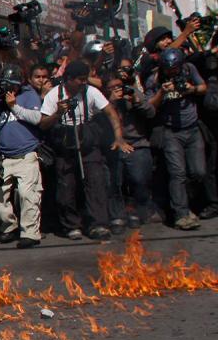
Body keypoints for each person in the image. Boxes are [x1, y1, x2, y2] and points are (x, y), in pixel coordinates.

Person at [40, 60, 132, 241]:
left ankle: (98, 224)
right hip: (65, 146)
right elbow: (43, 124)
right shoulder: (54, 95)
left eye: (85, 79)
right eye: (80, 79)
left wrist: (118, 137)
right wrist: (58, 113)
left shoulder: (91, 91)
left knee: (96, 184)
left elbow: (111, 113)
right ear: (69, 79)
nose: (84, 82)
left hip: (88, 144)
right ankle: (71, 225)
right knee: (66, 189)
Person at [0, 64, 44, 248]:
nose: (8, 89)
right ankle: (9, 226)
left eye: (11, 85)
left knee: (27, 194)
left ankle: (30, 233)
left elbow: (38, 118)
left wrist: (14, 106)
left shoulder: (29, 95)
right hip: (4, 157)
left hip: (26, 155)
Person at [145, 48, 208, 230]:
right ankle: (181, 214)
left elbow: (204, 88)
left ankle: (189, 204)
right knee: (177, 173)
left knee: (198, 172)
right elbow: (149, 107)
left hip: (193, 129)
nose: (172, 72)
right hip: (171, 132)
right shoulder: (155, 79)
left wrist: (192, 89)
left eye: (175, 69)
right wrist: (162, 93)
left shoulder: (189, 70)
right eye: (168, 69)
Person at [103, 70, 156, 231]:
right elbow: (98, 122)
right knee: (114, 183)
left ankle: (135, 210)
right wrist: (110, 104)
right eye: (113, 88)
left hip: (137, 144)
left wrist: (135, 101)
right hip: (113, 146)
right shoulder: (102, 100)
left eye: (119, 86)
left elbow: (151, 112)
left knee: (138, 179)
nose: (117, 90)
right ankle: (117, 216)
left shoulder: (133, 93)